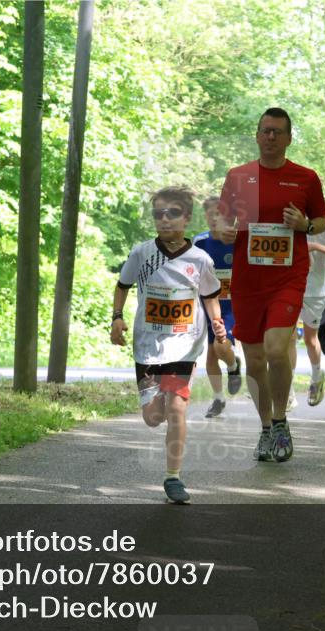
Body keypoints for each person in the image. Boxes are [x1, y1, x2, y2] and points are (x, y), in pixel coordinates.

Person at [218, 107, 325, 463]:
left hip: (287, 277)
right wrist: (222, 231)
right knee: (254, 360)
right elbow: (221, 220)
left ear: (289, 138)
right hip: (248, 280)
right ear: (256, 135)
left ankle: (281, 421)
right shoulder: (239, 176)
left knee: (277, 350)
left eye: (278, 132)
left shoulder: (305, 178)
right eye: (265, 131)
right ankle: (265, 427)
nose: (270, 137)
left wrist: (305, 225)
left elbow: (321, 221)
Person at [110, 186, 227, 504]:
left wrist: (219, 327)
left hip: (184, 345)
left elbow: (210, 295)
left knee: (177, 408)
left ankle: (173, 477)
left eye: (172, 213)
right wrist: (117, 318)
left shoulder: (199, 259)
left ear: (187, 217)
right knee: (153, 417)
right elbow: (122, 286)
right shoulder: (142, 252)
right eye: (158, 213)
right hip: (148, 345)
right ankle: (156, 401)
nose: (164, 219)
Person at [288, 206, 325, 408]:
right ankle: (287, 389)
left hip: (314, 289)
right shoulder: (287, 218)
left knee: (310, 339)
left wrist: (315, 246)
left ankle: (316, 377)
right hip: (288, 286)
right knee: (288, 337)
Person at [194, 196, 242, 418]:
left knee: (221, 348)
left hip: (232, 306)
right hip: (208, 305)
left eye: (219, 214)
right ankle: (218, 399)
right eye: (210, 214)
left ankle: (234, 367)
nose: (214, 218)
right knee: (211, 356)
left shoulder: (238, 241)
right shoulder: (199, 242)